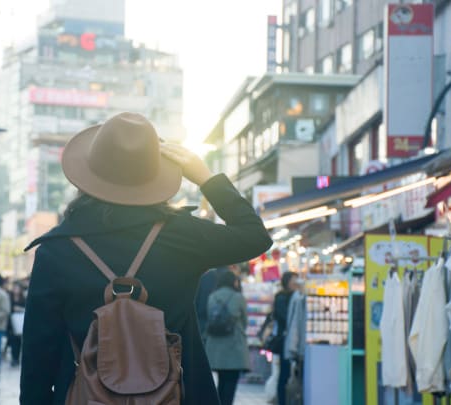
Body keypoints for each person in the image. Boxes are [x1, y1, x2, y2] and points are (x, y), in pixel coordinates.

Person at [19, 113, 273, 404]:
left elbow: (39, 353)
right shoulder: (183, 237)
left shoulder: (57, 250)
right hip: (178, 394)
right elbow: (255, 236)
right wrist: (206, 178)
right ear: (154, 177)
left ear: (88, 177)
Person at [204, 271, 250, 405]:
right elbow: (244, 321)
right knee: (231, 383)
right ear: (233, 281)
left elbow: (209, 317)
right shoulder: (238, 297)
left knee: (221, 381)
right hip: (234, 345)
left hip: (215, 345)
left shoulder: (212, 297)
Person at [195, 263, 241, 340]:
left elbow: (196, 300)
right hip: (227, 327)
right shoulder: (232, 278)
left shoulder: (204, 277)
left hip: (203, 322)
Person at [274, 271, 299, 405]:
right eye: (293, 280)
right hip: (285, 339)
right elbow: (284, 317)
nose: (296, 282)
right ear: (287, 281)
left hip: (292, 338)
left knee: (288, 373)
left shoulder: (297, 296)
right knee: (284, 373)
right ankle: (282, 401)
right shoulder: (282, 297)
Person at [6, 283, 26, 367]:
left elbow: (27, 309)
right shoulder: (9, 298)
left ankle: (17, 358)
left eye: (17, 288)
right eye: (14, 288)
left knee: (19, 342)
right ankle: (14, 358)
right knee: (13, 341)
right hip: (11, 323)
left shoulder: (24, 299)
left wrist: (20, 309)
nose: (16, 290)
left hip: (20, 323)